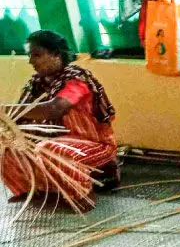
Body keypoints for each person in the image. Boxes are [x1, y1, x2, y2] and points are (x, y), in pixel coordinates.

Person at [2, 30, 119, 212]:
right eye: (30, 55)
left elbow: (54, 108)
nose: (31, 61)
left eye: (37, 55)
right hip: (54, 142)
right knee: (7, 147)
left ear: (56, 54)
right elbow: (20, 116)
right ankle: (35, 190)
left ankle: (83, 194)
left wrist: (3, 109)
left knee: (50, 150)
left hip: (93, 143)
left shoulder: (77, 80)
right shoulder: (36, 83)